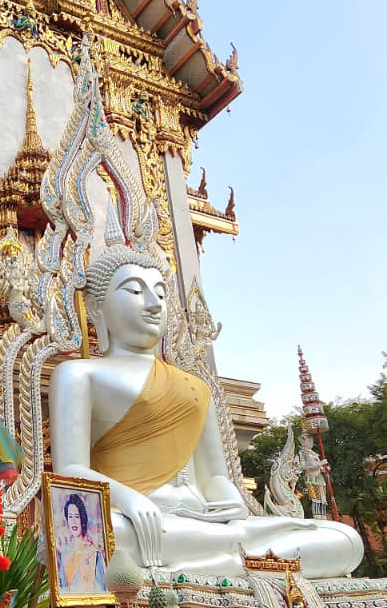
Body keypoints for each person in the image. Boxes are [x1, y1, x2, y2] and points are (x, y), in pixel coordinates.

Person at [49, 237, 362, 580]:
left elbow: (213, 476)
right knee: (98, 536)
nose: (154, 304)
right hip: (135, 524)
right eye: (136, 292)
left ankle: (220, 568)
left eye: (161, 294)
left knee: (344, 539)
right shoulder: (79, 374)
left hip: (209, 525)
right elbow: (71, 469)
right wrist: (129, 500)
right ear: (96, 308)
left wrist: (231, 501)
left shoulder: (195, 387)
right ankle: (246, 566)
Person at [57, 493, 106, 595]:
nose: (73, 521)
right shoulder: (65, 551)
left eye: (77, 516)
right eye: (70, 517)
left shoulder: (93, 553)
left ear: (82, 519)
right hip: (67, 607)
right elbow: (62, 587)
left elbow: (101, 589)